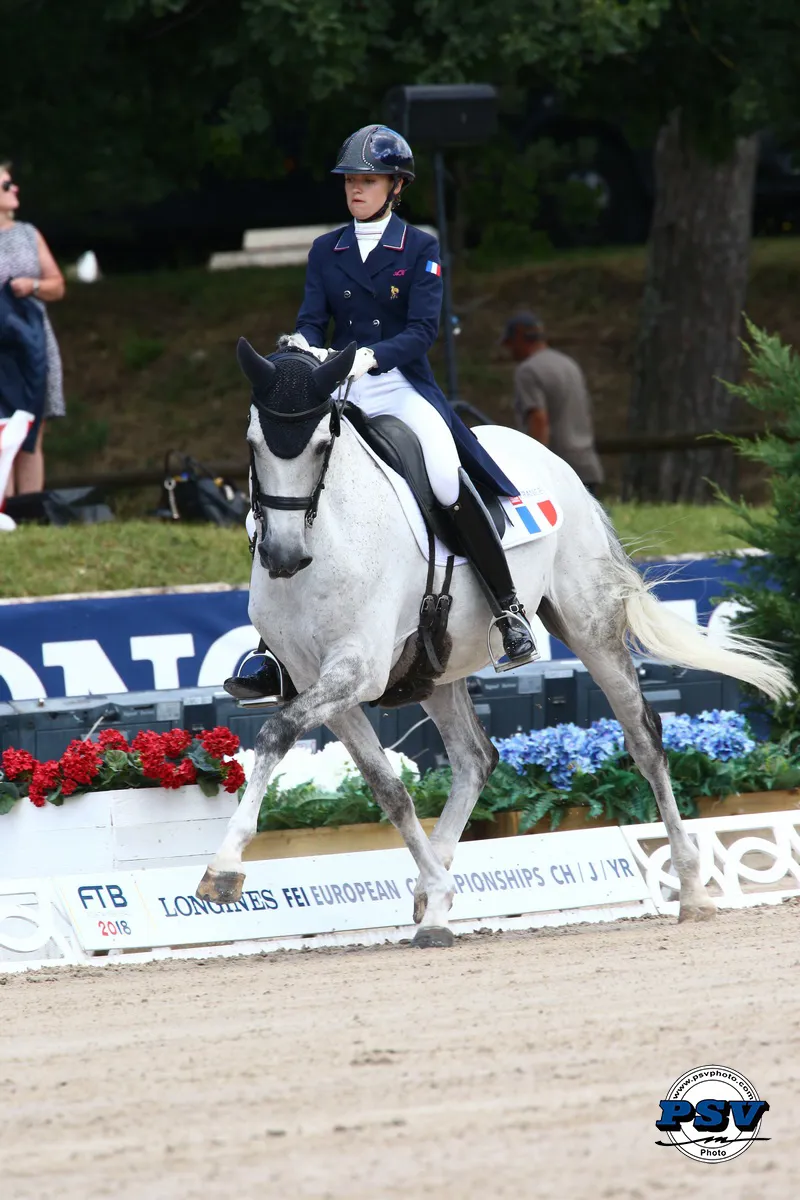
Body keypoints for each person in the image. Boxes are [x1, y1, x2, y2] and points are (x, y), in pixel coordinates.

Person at [225, 124, 538, 704]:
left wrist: (370, 357)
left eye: (367, 181)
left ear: (396, 186)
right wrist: (303, 349)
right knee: (281, 485)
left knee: (445, 477)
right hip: (337, 388)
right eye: (350, 182)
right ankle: (272, 649)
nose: (356, 191)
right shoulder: (327, 250)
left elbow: (423, 330)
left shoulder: (420, 248)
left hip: (397, 386)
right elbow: (313, 319)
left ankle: (509, 610)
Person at [0, 162, 66, 496]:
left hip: (32, 339)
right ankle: (5, 510)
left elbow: (57, 284)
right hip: (1, 344)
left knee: (31, 427)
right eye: (6, 185)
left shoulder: (28, 233)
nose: (14, 189)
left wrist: (32, 285)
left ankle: (31, 509)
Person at [502, 311, 603, 495]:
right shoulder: (568, 364)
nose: (509, 349)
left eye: (510, 343)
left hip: (558, 471)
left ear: (519, 336)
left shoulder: (528, 370)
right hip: (586, 464)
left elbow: (538, 419)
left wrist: (534, 468)